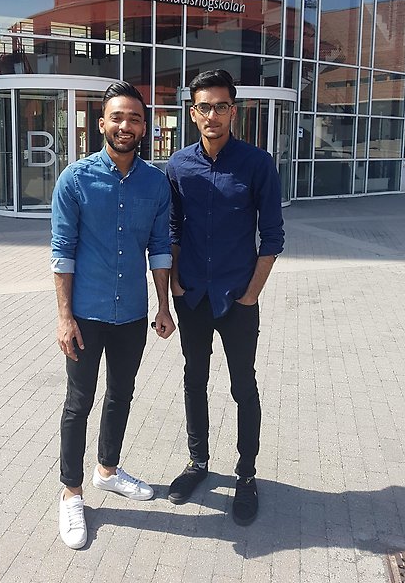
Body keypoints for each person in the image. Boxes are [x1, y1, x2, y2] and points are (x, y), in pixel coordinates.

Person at [51, 81, 175, 549]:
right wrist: (64, 318)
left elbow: (160, 248)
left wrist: (163, 306)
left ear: (144, 126)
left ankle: (107, 470)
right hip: (85, 315)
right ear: (101, 124)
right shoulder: (76, 180)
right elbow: (62, 252)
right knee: (78, 403)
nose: (126, 126)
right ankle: (71, 493)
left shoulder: (155, 183)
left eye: (135, 118)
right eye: (117, 117)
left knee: (121, 394)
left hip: (131, 318)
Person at [166, 69, 284, 526]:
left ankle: (247, 475)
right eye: (203, 107)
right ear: (192, 113)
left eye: (220, 106)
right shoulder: (178, 166)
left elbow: (272, 236)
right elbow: (172, 230)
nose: (212, 114)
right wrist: (174, 282)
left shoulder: (257, 164)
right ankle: (198, 463)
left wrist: (251, 297)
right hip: (192, 295)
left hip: (238, 299)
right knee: (194, 380)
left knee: (242, 387)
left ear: (233, 111)